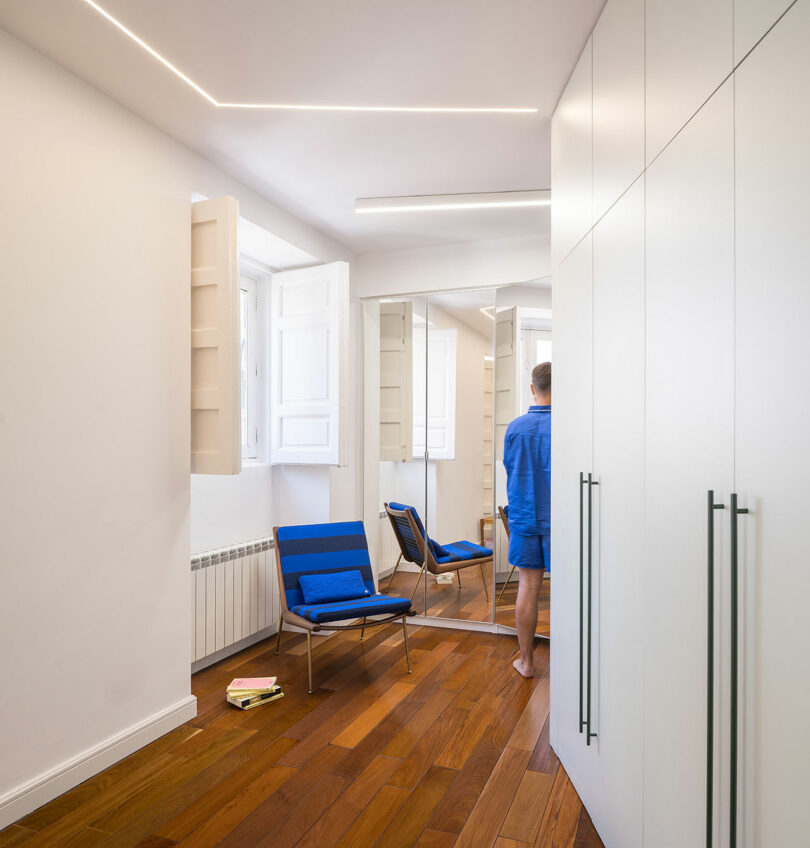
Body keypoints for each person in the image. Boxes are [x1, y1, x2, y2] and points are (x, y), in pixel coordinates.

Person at [502, 362, 551, 678]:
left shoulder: (515, 427)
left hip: (523, 516)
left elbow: (510, 469)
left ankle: (527, 663)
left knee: (528, 586)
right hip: (563, 521)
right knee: (573, 589)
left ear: (533, 388)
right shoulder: (571, 426)